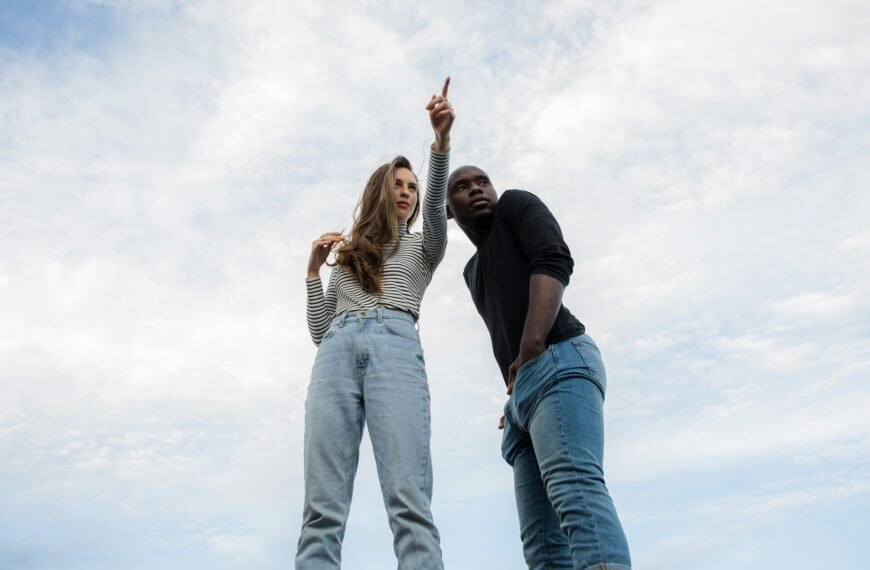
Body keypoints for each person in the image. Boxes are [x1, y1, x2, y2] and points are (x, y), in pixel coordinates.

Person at [296, 79, 454, 570]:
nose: (407, 193)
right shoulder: (348, 256)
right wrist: (311, 273)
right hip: (336, 352)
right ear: (379, 191)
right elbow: (321, 331)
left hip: (395, 347)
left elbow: (433, 208)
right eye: (398, 185)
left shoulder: (424, 246)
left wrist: (440, 144)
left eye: (412, 186)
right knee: (322, 507)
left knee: (408, 497)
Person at [446, 166, 632, 570]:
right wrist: (515, 394)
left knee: (576, 492)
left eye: (482, 181)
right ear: (447, 208)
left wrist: (531, 348)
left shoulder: (515, 204)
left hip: (560, 360)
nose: (477, 189)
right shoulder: (472, 271)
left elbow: (553, 257)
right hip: (524, 400)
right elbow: (503, 329)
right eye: (462, 187)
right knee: (542, 547)